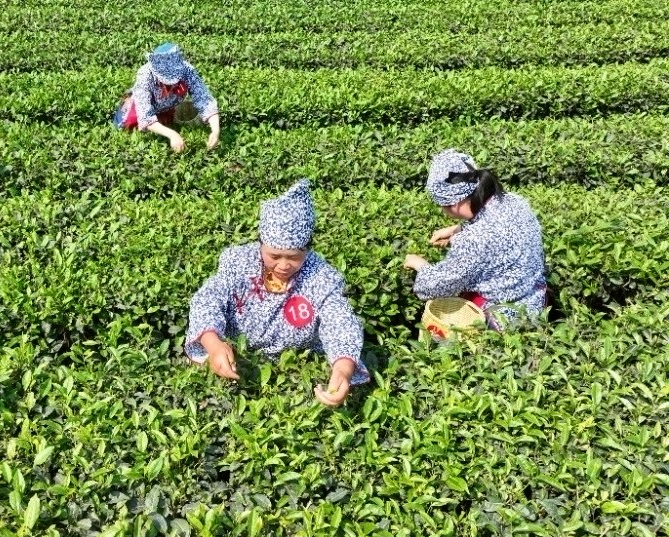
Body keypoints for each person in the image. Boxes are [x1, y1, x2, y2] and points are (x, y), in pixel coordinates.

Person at [185, 179, 370, 408]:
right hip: (237, 356)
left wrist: (343, 369)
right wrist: (213, 344)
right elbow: (208, 299)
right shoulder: (238, 262)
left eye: (294, 257)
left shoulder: (320, 275)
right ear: (260, 243)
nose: (283, 266)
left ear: (308, 249)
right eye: (274, 256)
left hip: (295, 364)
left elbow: (340, 321)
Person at [403, 149, 547, 328]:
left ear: (452, 203)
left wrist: (419, 264)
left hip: (505, 320)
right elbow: (493, 226)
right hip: (536, 302)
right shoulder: (514, 201)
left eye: (442, 206)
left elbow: (435, 287)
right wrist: (457, 229)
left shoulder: (474, 240)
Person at [112, 42, 221, 153]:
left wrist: (215, 131)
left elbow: (204, 99)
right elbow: (145, 115)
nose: (171, 84)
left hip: (166, 106)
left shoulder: (187, 70)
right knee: (128, 125)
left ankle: (162, 122)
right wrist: (172, 134)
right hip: (139, 106)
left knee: (168, 123)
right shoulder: (145, 74)